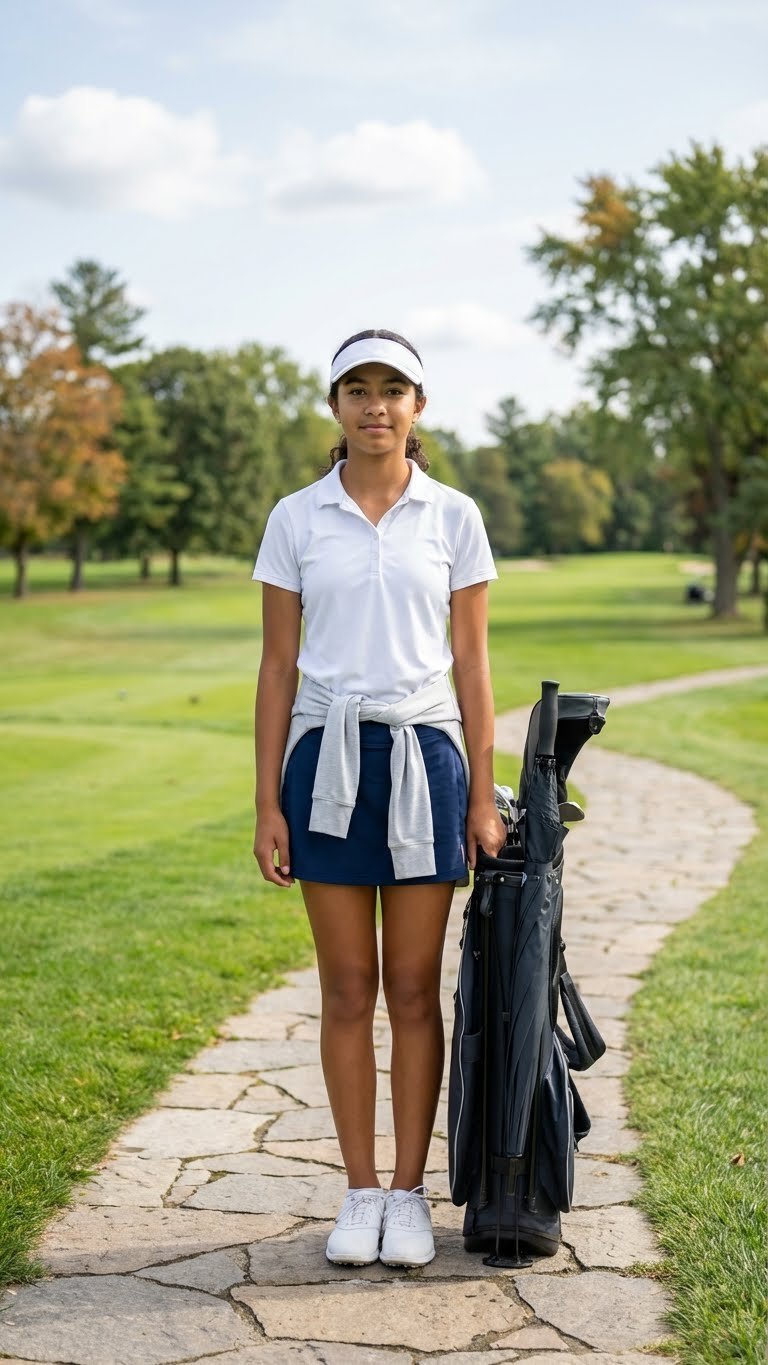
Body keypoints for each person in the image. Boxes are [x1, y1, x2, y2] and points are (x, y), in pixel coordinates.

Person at [252, 327, 506, 1269]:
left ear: (418, 405)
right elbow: (277, 666)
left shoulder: (454, 515)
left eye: (392, 388)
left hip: (424, 760)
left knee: (411, 987)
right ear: (334, 406)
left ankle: (408, 1192)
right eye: (356, 389)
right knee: (348, 987)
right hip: (323, 762)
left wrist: (482, 793)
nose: (374, 405)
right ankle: (360, 1190)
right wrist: (265, 802)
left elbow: (473, 662)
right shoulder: (297, 518)